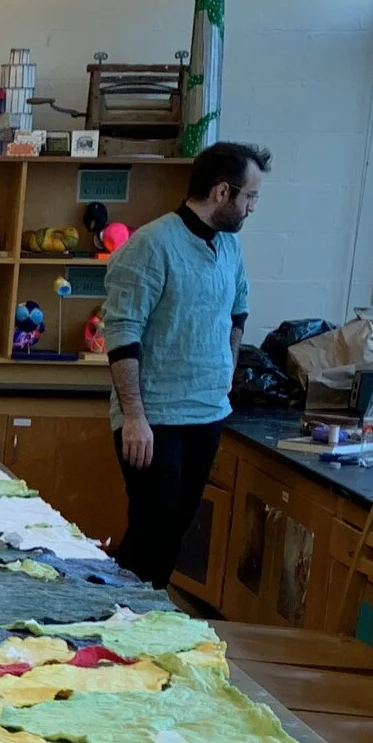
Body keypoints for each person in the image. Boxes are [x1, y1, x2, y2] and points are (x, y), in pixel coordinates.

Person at [102, 141, 269, 587]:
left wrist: (226, 368)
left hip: (207, 411)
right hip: (155, 416)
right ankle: (120, 623)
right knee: (152, 529)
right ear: (221, 192)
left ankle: (138, 621)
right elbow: (121, 334)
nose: (252, 207)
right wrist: (134, 417)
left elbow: (239, 310)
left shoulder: (229, 247)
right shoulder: (152, 245)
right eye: (250, 196)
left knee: (174, 532)